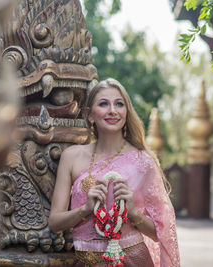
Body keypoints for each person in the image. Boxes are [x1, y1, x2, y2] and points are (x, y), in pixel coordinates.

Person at [49, 78, 180, 267]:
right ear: (90, 115)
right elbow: (55, 222)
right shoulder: (72, 157)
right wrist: (84, 210)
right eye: (103, 103)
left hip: (133, 259)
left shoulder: (143, 162)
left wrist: (133, 213)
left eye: (119, 104)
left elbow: (160, 232)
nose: (113, 110)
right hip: (86, 261)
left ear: (126, 112)